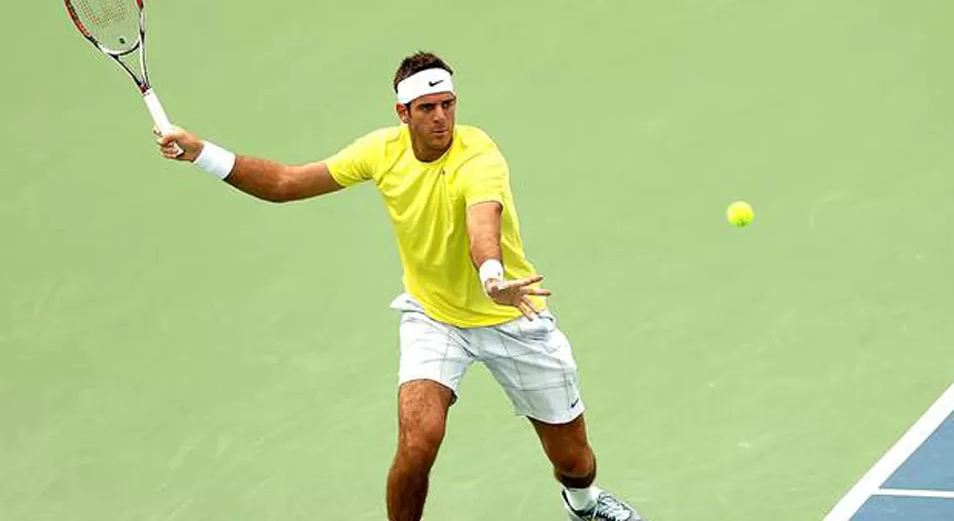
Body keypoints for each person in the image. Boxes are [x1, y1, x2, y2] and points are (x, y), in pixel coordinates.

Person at [155, 51, 647, 521]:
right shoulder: (380, 152)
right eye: (427, 109)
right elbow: (286, 183)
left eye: (447, 105)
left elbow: (483, 227)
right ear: (402, 112)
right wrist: (201, 153)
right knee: (419, 440)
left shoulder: (479, 155)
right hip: (433, 316)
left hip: (510, 315)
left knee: (575, 461)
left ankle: (584, 505)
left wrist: (493, 277)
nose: (441, 119)